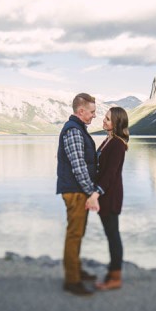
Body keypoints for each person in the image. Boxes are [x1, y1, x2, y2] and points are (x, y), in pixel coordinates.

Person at [56, 93, 103, 296]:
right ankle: (72, 280)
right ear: (81, 111)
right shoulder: (74, 131)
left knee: (77, 233)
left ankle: (76, 271)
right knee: (74, 234)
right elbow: (78, 166)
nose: (94, 116)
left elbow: (85, 160)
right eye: (92, 112)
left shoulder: (78, 129)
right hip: (75, 192)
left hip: (77, 190)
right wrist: (90, 191)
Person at [94, 107, 129, 290]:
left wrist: (95, 193)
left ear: (116, 123)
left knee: (113, 236)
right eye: (105, 117)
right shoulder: (108, 141)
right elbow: (99, 166)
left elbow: (110, 174)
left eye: (108, 119)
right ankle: (112, 273)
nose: (104, 120)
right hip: (105, 196)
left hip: (110, 196)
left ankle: (115, 277)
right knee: (111, 235)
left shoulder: (116, 144)